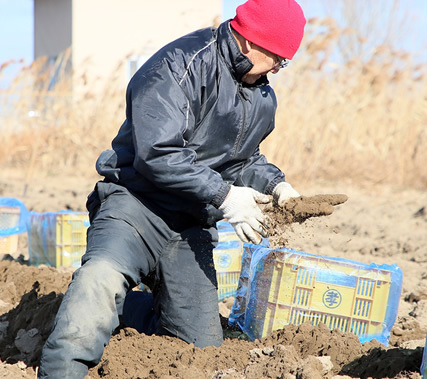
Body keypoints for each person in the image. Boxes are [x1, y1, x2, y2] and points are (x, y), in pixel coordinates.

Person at [38, 0, 306, 377]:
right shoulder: (180, 65)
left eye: (285, 62)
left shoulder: (261, 97)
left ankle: (122, 315)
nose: (279, 68)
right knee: (100, 278)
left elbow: (242, 160)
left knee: (200, 349)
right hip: (135, 205)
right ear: (249, 42)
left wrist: (279, 187)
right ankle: (64, 366)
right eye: (278, 57)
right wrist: (225, 196)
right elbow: (157, 154)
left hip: (190, 223)